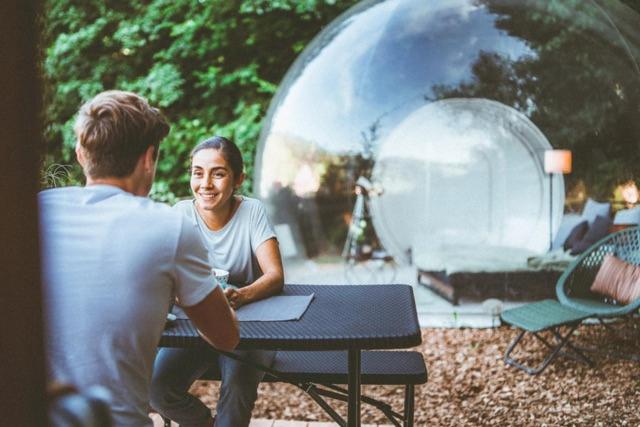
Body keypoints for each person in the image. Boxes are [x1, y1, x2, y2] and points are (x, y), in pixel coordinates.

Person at [39, 91, 240, 427]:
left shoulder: (33, 211)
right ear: (149, 158)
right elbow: (225, 337)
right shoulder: (171, 227)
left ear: (79, 153)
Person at [150, 136, 284, 427]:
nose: (206, 183)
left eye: (218, 173)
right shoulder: (181, 214)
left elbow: (275, 276)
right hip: (194, 326)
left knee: (236, 391)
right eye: (198, 173)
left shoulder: (252, 212)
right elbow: (163, 274)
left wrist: (242, 295)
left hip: (250, 329)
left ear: (238, 179)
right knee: (156, 389)